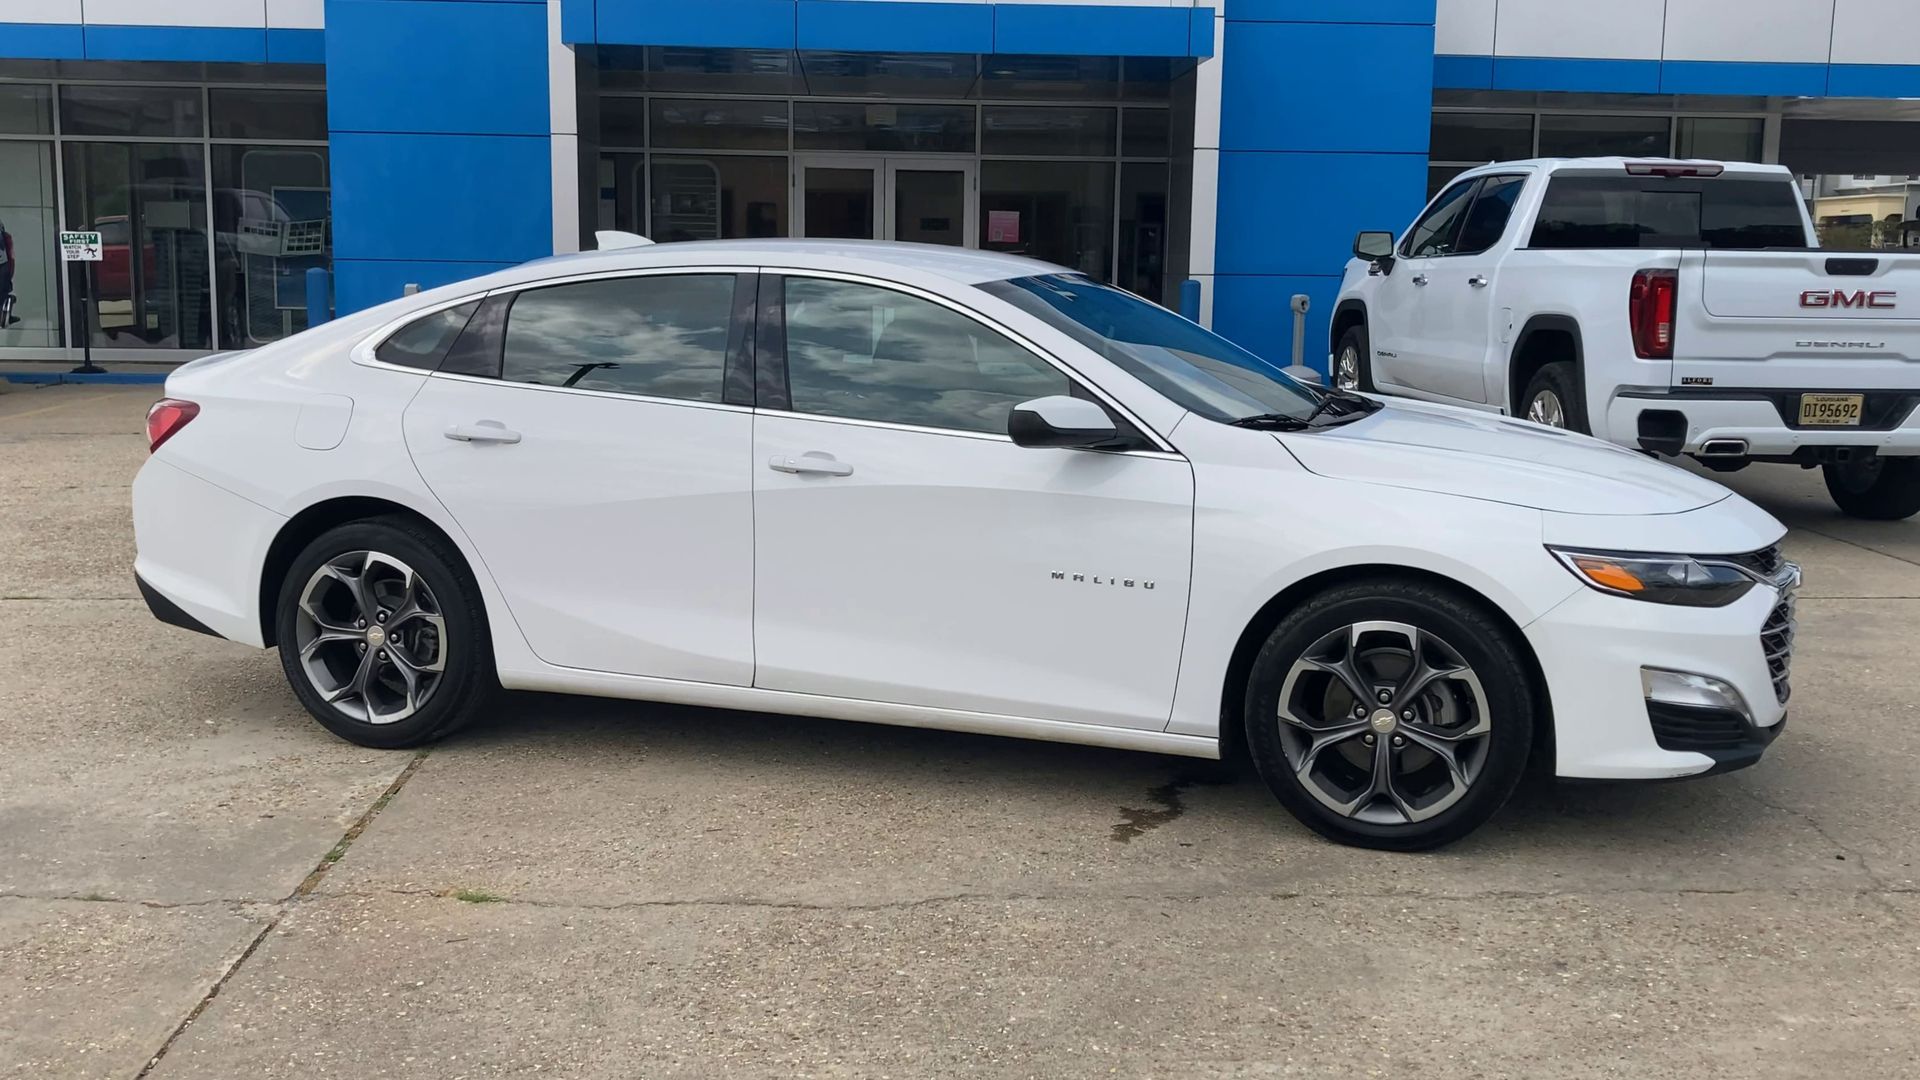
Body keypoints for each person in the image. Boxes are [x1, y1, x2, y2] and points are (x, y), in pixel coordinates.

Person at [0, 216, 18, 326]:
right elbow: (11, 257)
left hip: (3, 269)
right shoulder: (6, 237)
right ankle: (5, 315)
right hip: (3, 269)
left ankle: (5, 315)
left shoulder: (6, 238)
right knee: (3, 294)